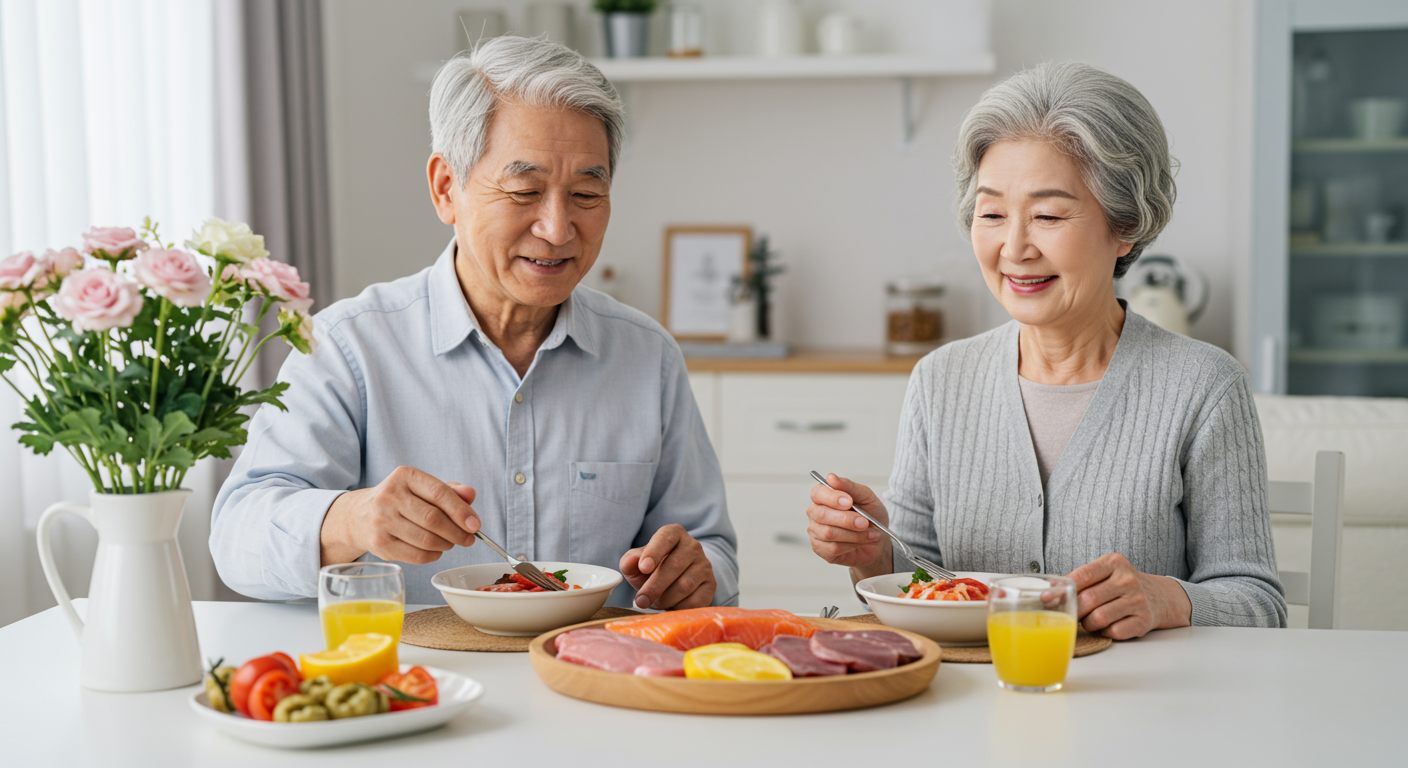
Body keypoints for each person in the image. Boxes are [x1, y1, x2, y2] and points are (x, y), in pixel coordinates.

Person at [211, 36, 737, 610]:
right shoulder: (350, 346)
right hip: (413, 684)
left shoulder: (647, 356)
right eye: (524, 191)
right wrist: (351, 519)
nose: (559, 229)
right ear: (445, 189)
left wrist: (696, 571)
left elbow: (712, 549)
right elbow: (236, 540)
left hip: (592, 687)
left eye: (587, 192)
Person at [806, 62, 1286, 638]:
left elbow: (1259, 602)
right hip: (968, 711)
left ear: (1125, 224)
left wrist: (1168, 599)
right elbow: (922, 581)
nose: (1014, 247)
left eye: (1048, 215)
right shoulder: (941, 379)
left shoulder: (1204, 386)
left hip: (1145, 715)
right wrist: (870, 550)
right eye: (991, 214)